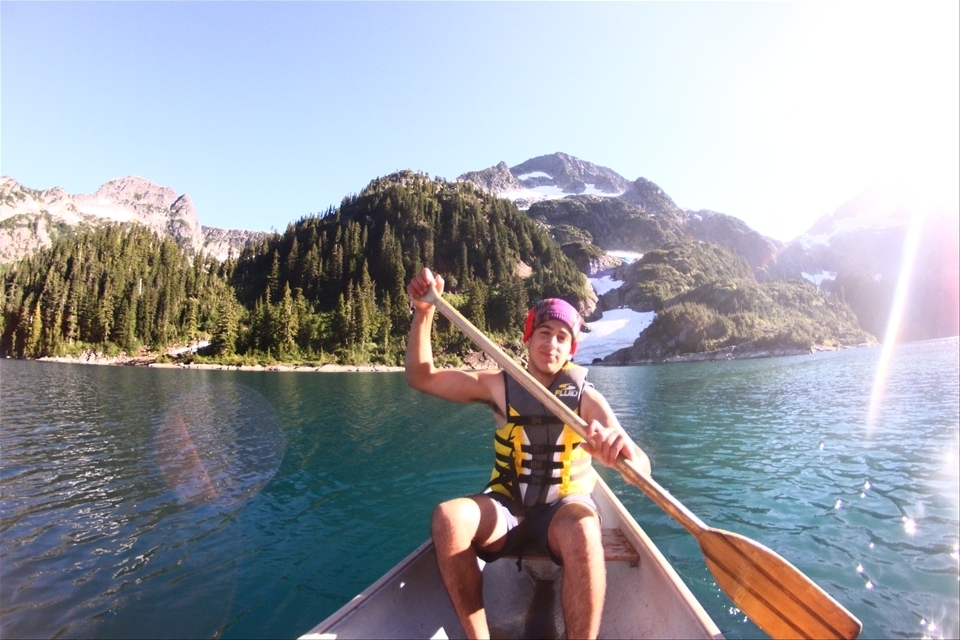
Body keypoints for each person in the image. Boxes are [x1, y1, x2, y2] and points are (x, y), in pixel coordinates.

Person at [405, 267, 651, 639]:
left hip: (562, 514)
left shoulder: (585, 398)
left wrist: (621, 450)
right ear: (528, 338)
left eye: (562, 337)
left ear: (571, 349)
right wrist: (424, 312)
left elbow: (642, 467)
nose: (551, 343)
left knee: (586, 530)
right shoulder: (497, 386)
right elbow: (422, 377)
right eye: (544, 332)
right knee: (448, 519)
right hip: (506, 509)